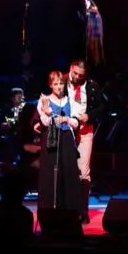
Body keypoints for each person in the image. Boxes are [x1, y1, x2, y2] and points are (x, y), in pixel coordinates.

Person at [37, 70, 85, 219]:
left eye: (61, 83)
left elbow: (76, 122)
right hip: (52, 136)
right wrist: (48, 112)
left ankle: (70, 209)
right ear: (51, 85)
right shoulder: (44, 100)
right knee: (51, 172)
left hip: (66, 137)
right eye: (56, 84)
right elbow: (45, 121)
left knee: (69, 171)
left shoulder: (70, 100)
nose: (59, 86)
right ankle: (49, 209)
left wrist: (67, 120)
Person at [66, 59, 105, 215]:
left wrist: (89, 115)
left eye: (80, 75)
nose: (77, 77)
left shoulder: (91, 85)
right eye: (75, 73)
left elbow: (103, 106)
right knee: (66, 169)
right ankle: (67, 208)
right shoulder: (60, 82)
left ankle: (83, 210)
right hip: (66, 131)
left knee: (83, 171)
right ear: (70, 68)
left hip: (85, 131)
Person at [78, 0, 106, 70]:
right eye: (84, 2)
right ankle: (91, 64)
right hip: (90, 35)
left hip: (95, 35)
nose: (85, 3)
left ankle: (97, 65)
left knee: (95, 51)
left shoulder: (93, 10)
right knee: (90, 51)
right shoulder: (86, 11)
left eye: (86, 1)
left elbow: (95, 11)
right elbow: (86, 22)